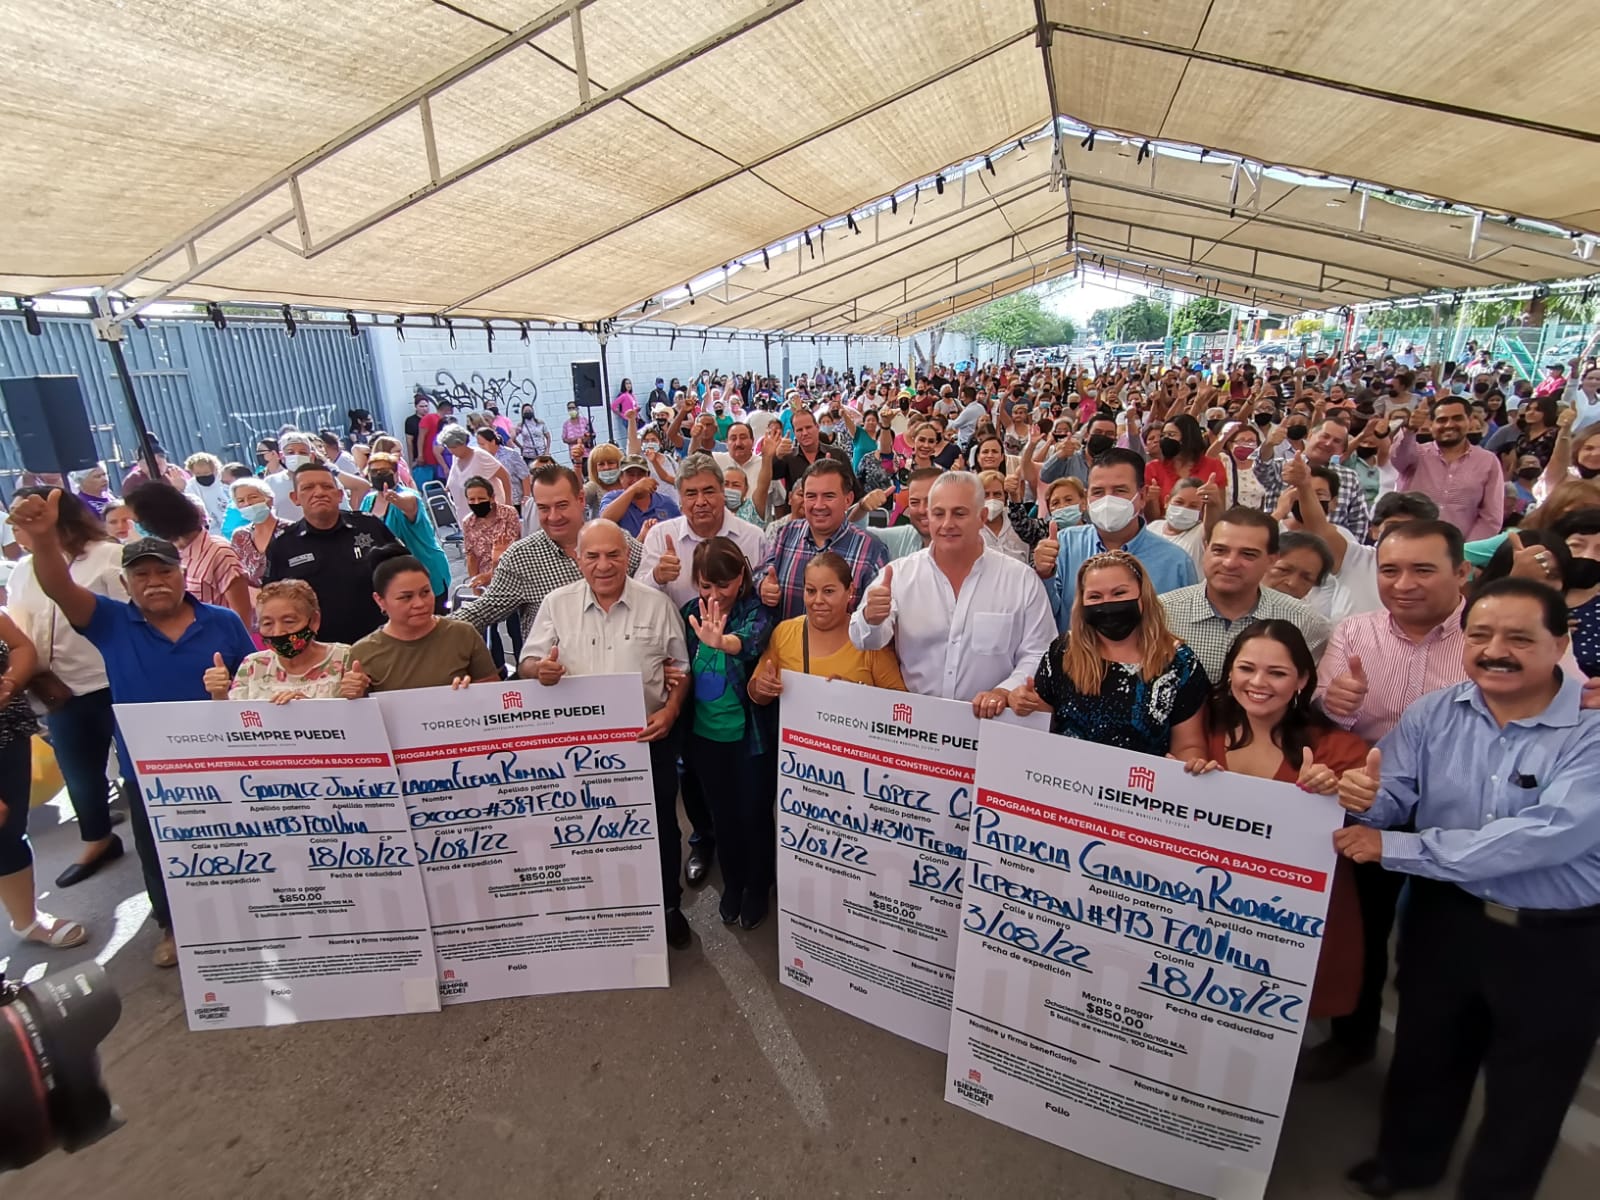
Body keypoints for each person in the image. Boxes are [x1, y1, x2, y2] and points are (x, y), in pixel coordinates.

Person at [1335, 579, 1600, 1200]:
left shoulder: (1591, 731)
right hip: (1445, 917)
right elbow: (1395, 796)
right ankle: (1407, 1163)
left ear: (1560, 642)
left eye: (1518, 638)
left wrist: (1399, 847)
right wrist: (1364, 802)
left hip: (1555, 939)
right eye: (1480, 635)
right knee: (1427, 1050)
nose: (1495, 650)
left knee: (1532, 1083)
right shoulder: (1434, 712)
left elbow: (1547, 837)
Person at [8, 491, 255, 968]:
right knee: (160, 849)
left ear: (182, 574)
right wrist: (42, 541)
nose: (155, 582)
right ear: (125, 583)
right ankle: (172, 925)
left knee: (238, 840)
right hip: (151, 768)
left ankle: (249, 912)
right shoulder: (110, 621)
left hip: (225, 759)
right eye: (141, 575)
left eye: (164, 571)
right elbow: (59, 586)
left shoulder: (222, 621)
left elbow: (256, 681)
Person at [518, 520, 693, 948]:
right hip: (578, 749)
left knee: (660, 825)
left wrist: (670, 711)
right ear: (578, 558)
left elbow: (681, 668)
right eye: (592, 555)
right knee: (587, 828)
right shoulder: (555, 605)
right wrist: (539, 672)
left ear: (628, 557)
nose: (603, 565)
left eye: (613, 554)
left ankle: (667, 906)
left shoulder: (656, 604)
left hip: (646, 740)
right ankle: (599, 908)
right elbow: (526, 663)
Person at [1185, 619, 1370, 1017]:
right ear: (1229, 671)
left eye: (1277, 672)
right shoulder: (1198, 728)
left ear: (1303, 680)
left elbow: (1370, 818)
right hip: (1201, 912)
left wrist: (1337, 794)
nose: (1259, 682)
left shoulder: (1337, 749)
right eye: (1247, 668)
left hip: (1284, 922)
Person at [850, 472, 1053, 718]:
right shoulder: (899, 575)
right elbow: (865, 640)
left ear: (982, 517)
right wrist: (871, 618)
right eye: (938, 514)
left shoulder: (1021, 580)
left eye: (959, 513)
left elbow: (1039, 651)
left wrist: (1004, 691)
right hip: (916, 727)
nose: (947, 524)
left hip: (994, 724)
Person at [5, 488, 124, 886]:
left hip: (113, 680)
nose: (18, 528)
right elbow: (21, 626)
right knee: (80, 773)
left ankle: (161, 842)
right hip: (61, 690)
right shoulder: (22, 570)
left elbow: (128, 616)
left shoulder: (107, 555)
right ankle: (98, 839)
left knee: (138, 770)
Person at [1008, 549, 1210, 757]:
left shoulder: (1180, 663)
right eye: (1095, 596)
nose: (1108, 603)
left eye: (1119, 593)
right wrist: (1022, 702)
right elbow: (1044, 720)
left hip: (1139, 785)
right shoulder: (1063, 651)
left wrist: (1189, 766)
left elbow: (1189, 745)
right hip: (1067, 779)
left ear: (1143, 595)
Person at [679, 537, 776, 929]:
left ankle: (758, 886)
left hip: (749, 741)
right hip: (704, 741)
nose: (714, 594)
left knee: (754, 814)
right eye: (705, 585)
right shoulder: (689, 613)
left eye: (723, 584)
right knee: (723, 817)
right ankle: (733, 882)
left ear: (741, 577)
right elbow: (679, 665)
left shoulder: (756, 611)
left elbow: (753, 640)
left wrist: (722, 641)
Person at [457, 464, 643, 642]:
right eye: (544, 508)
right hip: (554, 671)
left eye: (562, 505)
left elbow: (654, 585)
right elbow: (482, 611)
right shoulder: (521, 558)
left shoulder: (617, 541)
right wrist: (436, 627)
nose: (553, 517)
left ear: (580, 500)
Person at [1159, 507, 1332, 682]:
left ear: (1271, 560)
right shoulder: (1160, 613)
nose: (1230, 563)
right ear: (1206, 548)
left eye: (1248, 554)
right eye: (1220, 550)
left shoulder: (1305, 623)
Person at [0, 610, 88, 949]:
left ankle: (27, 920)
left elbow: (21, 646)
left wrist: (9, 683)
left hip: (8, 730)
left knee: (8, 831)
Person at [1042, 448, 1199, 631]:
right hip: (1076, 657)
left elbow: (1187, 630)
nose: (1108, 500)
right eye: (1098, 492)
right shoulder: (1064, 545)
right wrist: (1045, 575)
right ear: (1087, 497)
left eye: (1119, 491)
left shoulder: (1176, 563)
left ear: (1141, 496)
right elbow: (1045, 617)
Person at [262, 463, 399, 644]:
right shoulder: (283, 546)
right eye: (308, 488)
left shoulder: (369, 527)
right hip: (320, 652)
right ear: (295, 498)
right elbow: (273, 601)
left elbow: (404, 571)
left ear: (339, 494)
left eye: (327, 486)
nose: (319, 493)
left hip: (381, 642)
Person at [749, 552, 907, 703]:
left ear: (850, 591)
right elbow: (756, 694)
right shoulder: (784, 632)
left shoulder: (869, 638)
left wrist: (858, 695)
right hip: (796, 731)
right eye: (811, 591)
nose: (818, 600)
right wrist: (763, 687)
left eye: (828, 591)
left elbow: (900, 704)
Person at [341, 547, 497, 695]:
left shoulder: (463, 634)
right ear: (380, 600)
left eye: (425, 592)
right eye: (406, 597)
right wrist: (355, 693)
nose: (420, 604)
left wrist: (473, 693)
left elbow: (494, 694)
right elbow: (359, 713)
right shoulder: (363, 653)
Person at [760, 460, 889, 621]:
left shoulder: (871, 550)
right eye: (811, 496)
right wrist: (763, 586)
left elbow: (878, 619)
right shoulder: (786, 533)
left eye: (828, 496)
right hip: (785, 644)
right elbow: (762, 574)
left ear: (848, 500)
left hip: (845, 646)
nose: (819, 505)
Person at [635, 454, 764, 610]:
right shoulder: (660, 536)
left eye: (708, 492)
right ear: (680, 499)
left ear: (723, 492)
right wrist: (657, 576)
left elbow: (762, 593)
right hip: (677, 632)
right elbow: (637, 594)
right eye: (691, 494)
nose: (701, 502)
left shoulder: (753, 538)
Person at [124, 480, 254, 631]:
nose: (135, 527)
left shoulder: (219, 553)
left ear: (156, 519)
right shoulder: (172, 554)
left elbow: (243, 618)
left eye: (137, 522)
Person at [203, 580, 352, 701]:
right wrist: (219, 694)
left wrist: (310, 710)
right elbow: (235, 723)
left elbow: (358, 718)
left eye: (288, 621)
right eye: (267, 623)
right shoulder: (252, 665)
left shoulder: (344, 657)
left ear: (314, 621)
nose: (278, 632)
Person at [1388, 395, 1503, 539]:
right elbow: (1397, 457)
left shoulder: (1488, 461)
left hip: (1460, 551)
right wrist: (1410, 429)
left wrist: (1464, 551)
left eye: (1457, 418)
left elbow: (1491, 517)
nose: (1449, 425)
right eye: (1441, 420)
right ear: (1431, 424)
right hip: (1409, 543)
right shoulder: (1416, 453)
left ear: (1470, 421)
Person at [357, 451, 451, 607]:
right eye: (374, 471)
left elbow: (410, 505)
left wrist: (396, 500)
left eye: (384, 471)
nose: (378, 475)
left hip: (425, 570)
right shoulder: (368, 500)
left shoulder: (409, 495)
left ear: (395, 474)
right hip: (392, 578)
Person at [1257, 419, 1370, 538]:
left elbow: (1358, 522)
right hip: (1279, 546)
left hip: (1331, 550)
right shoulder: (1283, 467)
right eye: (1325, 436)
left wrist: (1346, 553)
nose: (1328, 443)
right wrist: (1268, 445)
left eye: (1336, 441)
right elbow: (1262, 468)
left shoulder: (1350, 478)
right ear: (1310, 435)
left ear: (1342, 449)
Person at [1145, 414, 1227, 505]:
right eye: (1163, 435)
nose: (1165, 439)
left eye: (1171, 435)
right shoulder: (1153, 468)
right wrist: (1152, 500)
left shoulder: (1213, 466)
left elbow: (1220, 509)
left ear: (1188, 437)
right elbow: (1152, 517)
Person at [439, 425, 510, 523]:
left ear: (463, 443)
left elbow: (504, 476)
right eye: (448, 447)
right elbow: (455, 479)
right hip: (465, 517)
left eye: (454, 447)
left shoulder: (479, 455)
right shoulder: (455, 458)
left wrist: (508, 505)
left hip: (488, 515)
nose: (451, 451)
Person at [600, 454, 680, 537]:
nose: (636, 479)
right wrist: (633, 489)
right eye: (631, 475)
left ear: (648, 476)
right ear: (621, 477)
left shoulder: (666, 502)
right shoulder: (612, 498)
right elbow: (604, 523)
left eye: (640, 475)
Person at [477, 424, 530, 507]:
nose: (481, 447)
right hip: (496, 504)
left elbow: (525, 475)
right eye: (479, 445)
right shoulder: (482, 459)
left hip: (515, 502)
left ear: (493, 441)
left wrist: (526, 496)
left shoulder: (510, 454)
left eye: (483, 444)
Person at [183, 452, 230, 530]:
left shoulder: (224, 480)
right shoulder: (191, 487)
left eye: (206, 472)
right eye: (198, 473)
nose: (202, 476)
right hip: (211, 530)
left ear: (215, 469)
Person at [561, 402, 592, 471]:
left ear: (577, 409)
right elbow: (564, 439)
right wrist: (575, 440)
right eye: (569, 408)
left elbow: (592, 433)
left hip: (587, 452)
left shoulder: (585, 420)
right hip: (575, 454)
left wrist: (586, 438)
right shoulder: (566, 424)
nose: (571, 410)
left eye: (573, 408)